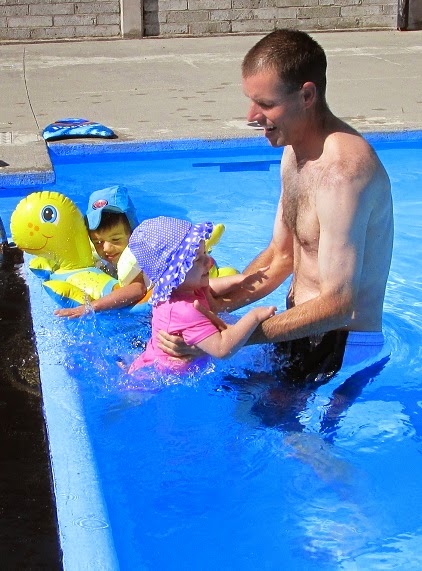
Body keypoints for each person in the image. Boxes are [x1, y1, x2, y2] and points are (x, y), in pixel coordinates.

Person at [158, 29, 394, 379]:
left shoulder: (343, 175)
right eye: (251, 101)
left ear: (307, 96)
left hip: (341, 347)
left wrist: (230, 338)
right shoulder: (294, 153)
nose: (251, 116)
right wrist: (210, 309)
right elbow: (280, 257)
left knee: (251, 409)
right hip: (300, 330)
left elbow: (339, 305)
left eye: (266, 104)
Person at [126, 216, 276, 373]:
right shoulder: (185, 310)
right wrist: (255, 316)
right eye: (197, 259)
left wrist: (241, 280)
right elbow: (222, 349)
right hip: (157, 380)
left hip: (152, 360)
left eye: (205, 252)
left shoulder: (180, 288)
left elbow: (210, 286)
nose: (208, 261)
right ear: (175, 272)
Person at [55, 185, 150, 317]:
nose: (106, 248)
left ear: (132, 233)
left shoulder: (137, 256)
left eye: (115, 239)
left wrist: (91, 307)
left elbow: (137, 288)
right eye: (98, 242)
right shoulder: (98, 259)